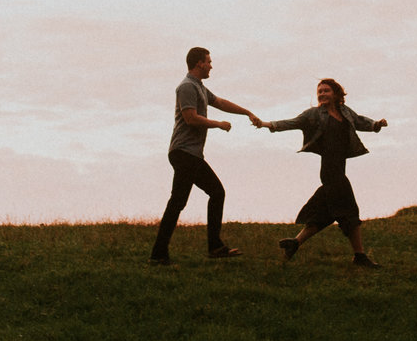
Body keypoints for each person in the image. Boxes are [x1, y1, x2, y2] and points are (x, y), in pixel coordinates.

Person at [258, 77, 390, 266]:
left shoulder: (345, 111)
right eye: (319, 91)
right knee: (350, 210)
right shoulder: (313, 114)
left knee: (325, 212)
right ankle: (360, 256)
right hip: (330, 170)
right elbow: (292, 122)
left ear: (336, 94)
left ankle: (295, 243)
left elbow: (360, 121)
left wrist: (376, 124)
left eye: (326, 90)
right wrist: (266, 124)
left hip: (339, 167)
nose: (322, 94)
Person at [153, 46, 265, 265]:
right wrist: (218, 124)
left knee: (210, 194)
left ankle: (212, 247)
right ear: (199, 63)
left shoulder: (200, 88)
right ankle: (160, 254)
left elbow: (220, 102)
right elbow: (190, 118)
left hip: (192, 154)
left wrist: (247, 112)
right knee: (182, 201)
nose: (211, 66)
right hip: (184, 152)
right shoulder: (186, 86)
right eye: (209, 62)